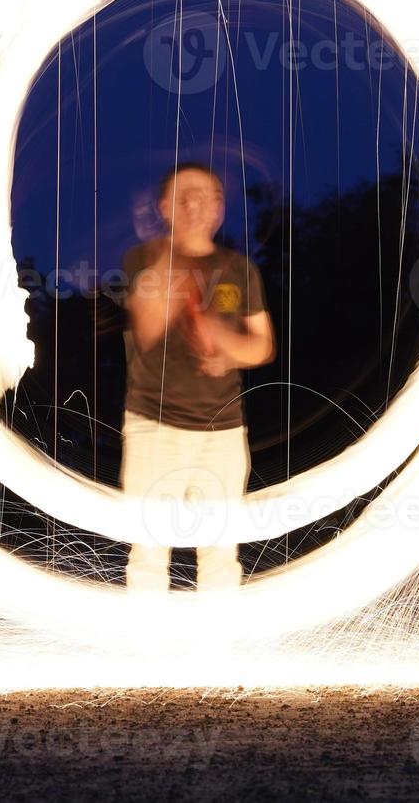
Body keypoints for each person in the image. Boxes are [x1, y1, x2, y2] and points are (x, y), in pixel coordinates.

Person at [119, 161, 276, 591]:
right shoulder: (142, 260)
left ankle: (215, 653)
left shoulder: (239, 269)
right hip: (155, 427)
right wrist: (170, 265)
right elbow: (147, 330)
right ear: (164, 207)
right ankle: (146, 652)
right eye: (183, 197)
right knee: (149, 549)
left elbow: (261, 345)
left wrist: (226, 347)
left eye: (205, 197)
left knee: (221, 551)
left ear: (219, 209)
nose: (194, 206)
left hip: (222, 432)